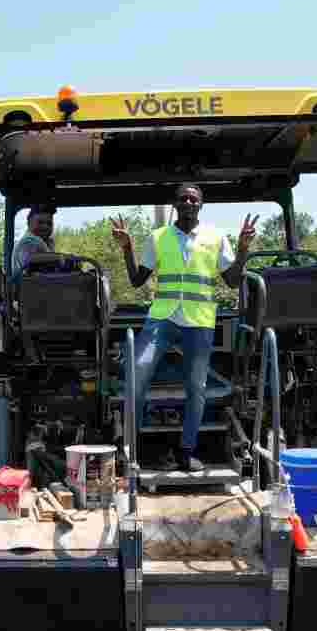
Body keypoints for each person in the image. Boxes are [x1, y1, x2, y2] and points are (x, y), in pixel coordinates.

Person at [111, 184, 257, 472]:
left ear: (200, 205)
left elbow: (232, 281)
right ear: (175, 204)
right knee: (136, 373)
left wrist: (242, 249)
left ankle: (186, 451)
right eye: (183, 198)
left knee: (196, 388)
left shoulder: (216, 237)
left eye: (193, 198)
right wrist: (127, 248)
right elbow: (137, 280)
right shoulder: (158, 237)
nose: (188, 202)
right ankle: (133, 450)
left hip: (198, 320)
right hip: (162, 317)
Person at [10, 205, 56, 282]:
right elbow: (29, 260)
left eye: (49, 224)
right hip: (30, 287)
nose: (45, 227)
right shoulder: (29, 241)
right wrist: (61, 258)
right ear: (29, 222)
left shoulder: (44, 242)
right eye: (40, 222)